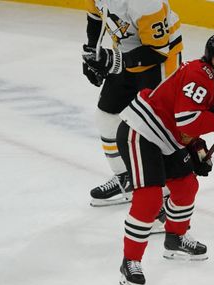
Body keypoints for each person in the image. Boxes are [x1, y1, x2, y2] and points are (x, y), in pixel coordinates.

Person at [115, 32, 214, 285]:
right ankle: (130, 262)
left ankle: (175, 238)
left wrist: (197, 149)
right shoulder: (199, 75)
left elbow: (187, 127)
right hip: (141, 132)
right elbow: (187, 121)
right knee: (150, 199)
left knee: (186, 186)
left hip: (166, 139)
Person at [82, 0, 183, 207]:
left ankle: (164, 194)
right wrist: (93, 53)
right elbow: (95, 17)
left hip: (162, 60)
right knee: (106, 117)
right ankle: (125, 178)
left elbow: (158, 51)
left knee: (156, 129)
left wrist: (113, 60)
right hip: (125, 52)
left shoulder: (145, 2)